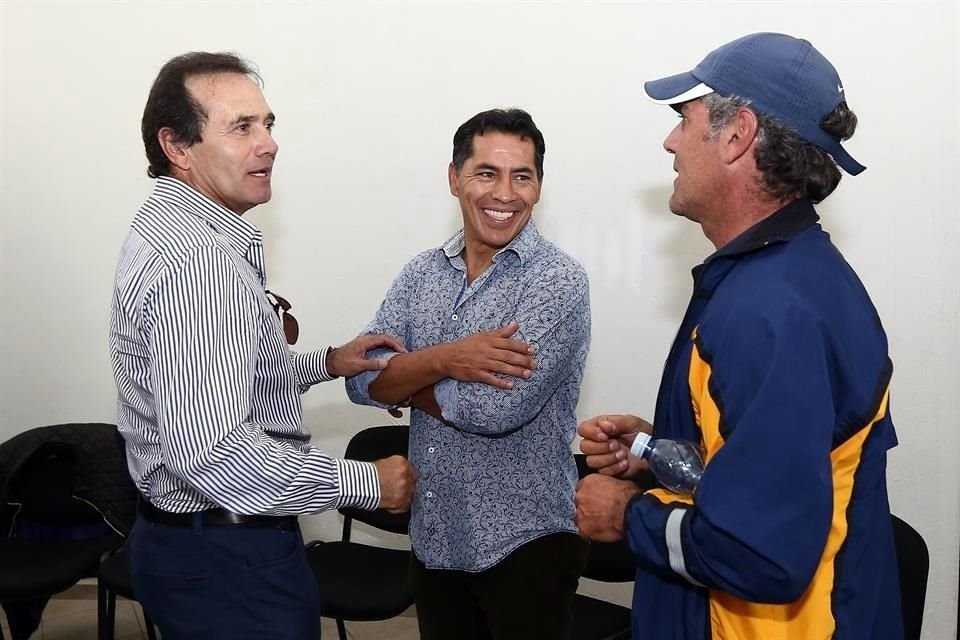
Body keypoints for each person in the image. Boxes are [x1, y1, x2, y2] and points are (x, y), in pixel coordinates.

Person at [575, 33, 902, 640]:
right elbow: (773, 465)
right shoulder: (784, 276)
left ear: (737, 133)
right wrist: (659, 451)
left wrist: (628, 514)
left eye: (685, 119)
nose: (670, 141)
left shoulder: (772, 311)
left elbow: (760, 552)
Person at [108, 51, 417, 639]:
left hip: (201, 547)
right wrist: (369, 484)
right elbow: (212, 452)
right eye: (242, 127)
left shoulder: (191, 230)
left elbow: (229, 376)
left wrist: (327, 362)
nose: (269, 143)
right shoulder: (194, 263)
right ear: (177, 146)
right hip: (228, 554)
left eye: (268, 124)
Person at [346, 108, 590, 639]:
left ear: (539, 187)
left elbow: (494, 409)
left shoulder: (557, 283)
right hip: (435, 539)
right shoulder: (421, 273)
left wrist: (406, 377)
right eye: (486, 173)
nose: (504, 193)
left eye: (521, 176)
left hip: (525, 545)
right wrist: (447, 359)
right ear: (454, 178)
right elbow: (362, 378)